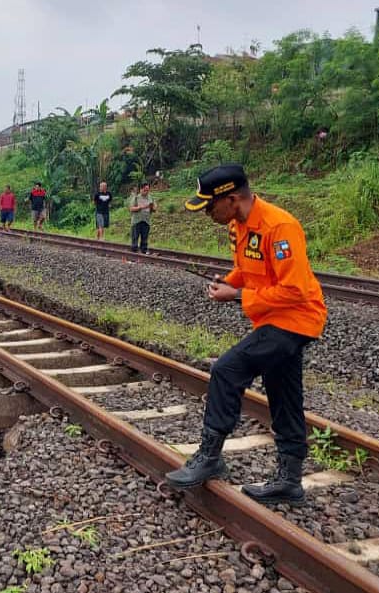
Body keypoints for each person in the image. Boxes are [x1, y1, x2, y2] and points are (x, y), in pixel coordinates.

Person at [165, 164, 327, 505]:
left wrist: (237, 296)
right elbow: (248, 267)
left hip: (294, 319)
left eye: (210, 206)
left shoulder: (279, 227)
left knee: (226, 369)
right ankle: (290, 481)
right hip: (271, 319)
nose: (207, 213)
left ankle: (210, 456)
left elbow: (296, 290)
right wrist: (230, 282)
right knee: (284, 394)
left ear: (233, 199)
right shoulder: (239, 226)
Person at [128, 183, 156, 254]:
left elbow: (155, 209)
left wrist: (152, 207)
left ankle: (143, 250)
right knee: (135, 236)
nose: (146, 192)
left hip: (146, 220)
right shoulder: (136, 197)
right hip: (137, 220)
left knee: (145, 237)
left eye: (147, 190)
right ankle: (134, 250)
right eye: (145, 190)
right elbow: (131, 208)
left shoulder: (151, 198)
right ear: (141, 190)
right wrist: (140, 207)